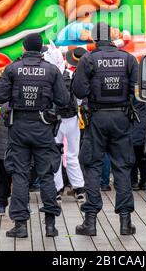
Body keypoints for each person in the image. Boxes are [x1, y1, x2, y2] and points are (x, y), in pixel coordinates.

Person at [0, 33, 70, 239]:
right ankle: (50, 226)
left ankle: (20, 225)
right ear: (41, 49)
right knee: (46, 175)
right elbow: (63, 99)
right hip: (43, 129)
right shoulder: (51, 71)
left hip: (18, 128)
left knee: (19, 174)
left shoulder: (12, 69)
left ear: (25, 49)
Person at [72, 22, 138, 236]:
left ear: (93, 39)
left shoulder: (88, 59)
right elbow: (136, 90)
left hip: (97, 119)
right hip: (121, 118)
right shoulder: (128, 58)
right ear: (110, 37)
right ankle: (126, 223)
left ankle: (90, 222)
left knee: (92, 165)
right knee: (122, 167)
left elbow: (79, 91)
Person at [50, 46, 86, 202]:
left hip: (55, 120)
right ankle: (79, 188)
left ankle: (57, 189)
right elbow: (79, 98)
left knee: (55, 154)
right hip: (72, 118)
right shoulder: (72, 75)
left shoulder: (51, 75)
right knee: (72, 154)